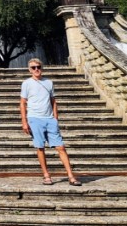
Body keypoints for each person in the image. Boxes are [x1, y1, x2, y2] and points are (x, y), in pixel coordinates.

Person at [20, 58, 81, 186]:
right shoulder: (26, 83)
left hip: (49, 119)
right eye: (33, 67)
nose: (36, 69)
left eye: (38, 67)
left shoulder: (49, 82)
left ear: (42, 68)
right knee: (40, 147)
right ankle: (46, 175)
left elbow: (53, 101)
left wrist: (55, 118)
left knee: (61, 147)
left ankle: (71, 176)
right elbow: (22, 103)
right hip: (35, 118)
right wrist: (24, 121)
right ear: (29, 70)